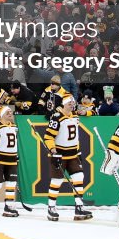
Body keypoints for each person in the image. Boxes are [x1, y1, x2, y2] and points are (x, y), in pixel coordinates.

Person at [42, 93, 92, 221]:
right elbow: (48, 137)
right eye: (69, 102)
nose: (72, 104)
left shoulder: (75, 116)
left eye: (73, 102)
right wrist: (53, 152)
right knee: (57, 180)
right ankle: (51, 207)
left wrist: (78, 151)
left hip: (73, 154)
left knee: (79, 177)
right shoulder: (57, 117)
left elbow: (75, 137)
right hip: (59, 153)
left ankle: (79, 207)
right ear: (63, 103)